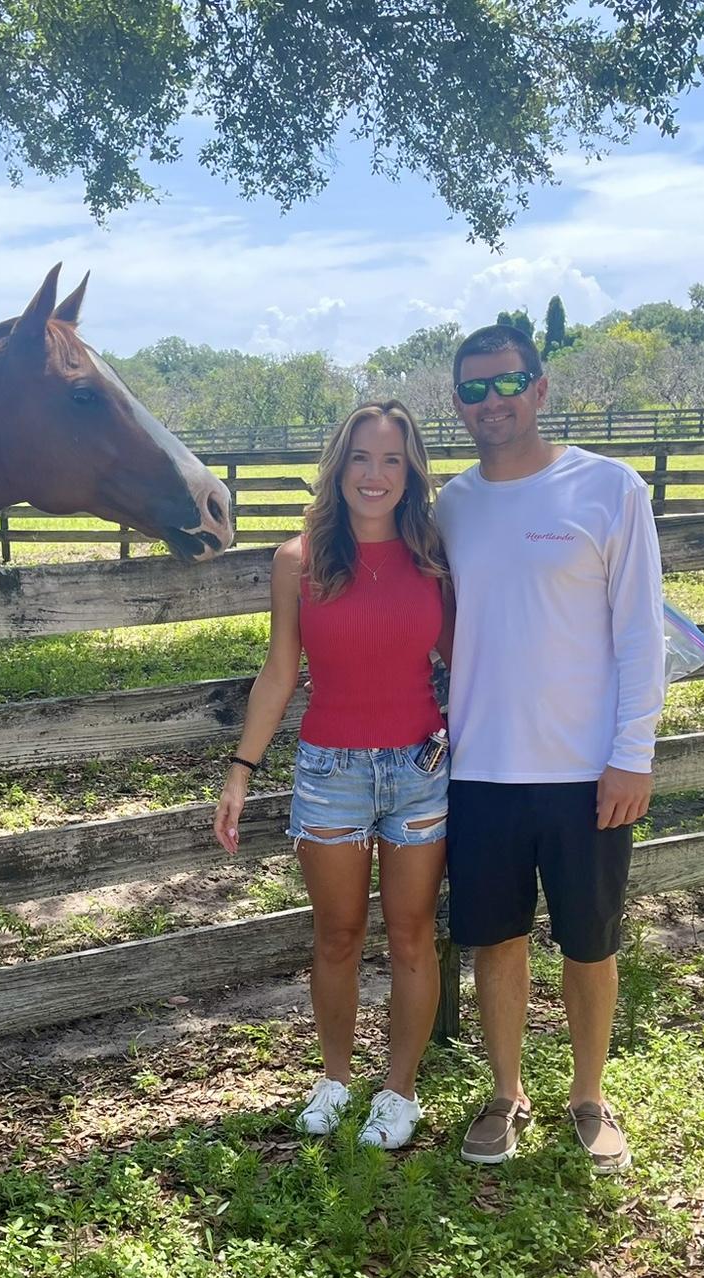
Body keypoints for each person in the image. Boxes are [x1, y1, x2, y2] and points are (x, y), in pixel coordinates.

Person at [437, 325, 665, 1175]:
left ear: (539, 387)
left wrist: (632, 753)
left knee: (589, 943)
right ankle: (506, 1093)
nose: (491, 402)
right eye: (473, 389)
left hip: (586, 770)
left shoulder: (608, 488)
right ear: (457, 403)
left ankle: (588, 1096)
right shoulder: (452, 505)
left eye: (508, 383)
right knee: (495, 941)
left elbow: (641, 632)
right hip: (481, 767)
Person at [214, 400, 453, 1149]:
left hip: (421, 768)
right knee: (337, 936)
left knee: (412, 935)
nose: (374, 475)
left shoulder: (435, 555)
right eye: (361, 458)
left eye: (391, 460)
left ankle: (400, 1090)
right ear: (339, 466)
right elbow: (280, 671)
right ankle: (336, 1079)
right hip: (330, 771)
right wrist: (241, 769)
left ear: (410, 472)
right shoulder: (299, 561)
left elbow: (468, 659)